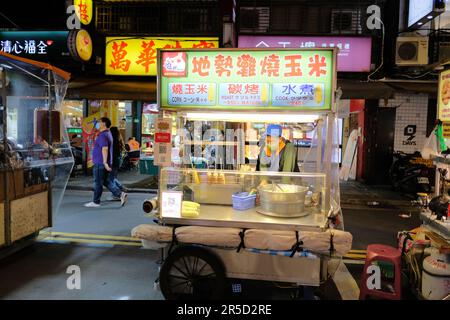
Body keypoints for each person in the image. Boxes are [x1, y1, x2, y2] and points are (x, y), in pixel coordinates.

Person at [84, 117, 128, 208]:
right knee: (105, 181)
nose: (97, 124)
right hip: (103, 162)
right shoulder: (107, 133)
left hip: (101, 162)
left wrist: (104, 163)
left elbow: (105, 149)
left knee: (98, 182)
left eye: (99, 122)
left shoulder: (103, 135)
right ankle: (120, 194)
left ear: (103, 123)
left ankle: (96, 202)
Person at [108, 126, 127, 198]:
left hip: (112, 161)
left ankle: (117, 193)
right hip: (117, 161)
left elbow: (111, 153)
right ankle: (121, 188)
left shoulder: (112, 141)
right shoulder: (119, 140)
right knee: (113, 177)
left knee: (110, 179)